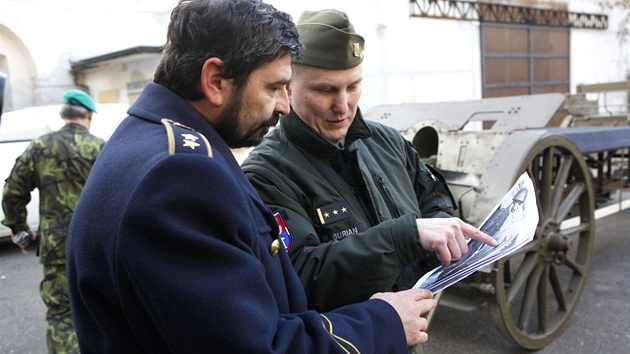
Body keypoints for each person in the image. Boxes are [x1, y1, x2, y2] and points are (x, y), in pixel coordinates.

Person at [65, 1, 437, 353]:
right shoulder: (178, 176)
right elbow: (255, 345)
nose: (283, 105)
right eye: (274, 87)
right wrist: (382, 321)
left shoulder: (153, 143)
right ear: (215, 80)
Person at [241, 9, 498, 313]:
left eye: (353, 87)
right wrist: (405, 237)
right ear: (288, 88)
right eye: (325, 90)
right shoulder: (266, 175)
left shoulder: (387, 141)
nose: (343, 106)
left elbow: (431, 196)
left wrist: (441, 224)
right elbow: (298, 277)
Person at [2, 89, 104, 353]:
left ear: (62, 114)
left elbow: (13, 192)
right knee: (101, 312)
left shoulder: (40, 146)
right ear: (89, 115)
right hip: (95, 246)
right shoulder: (102, 147)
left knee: (61, 313)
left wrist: (18, 227)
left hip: (57, 246)